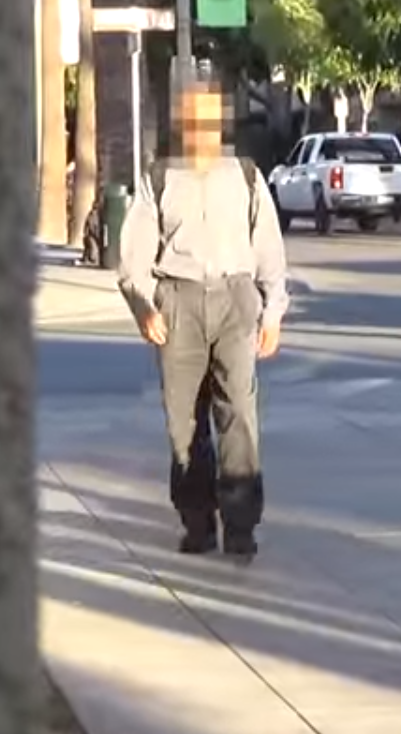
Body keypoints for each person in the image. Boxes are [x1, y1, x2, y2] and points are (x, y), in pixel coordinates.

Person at [118, 78, 289, 561]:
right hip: (179, 303)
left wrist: (272, 310)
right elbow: (133, 257)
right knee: (184, 422)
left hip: (236, 300)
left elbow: (269, 249)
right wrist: (145, 306)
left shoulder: (247, 175)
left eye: (210, 121)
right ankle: (197, 521)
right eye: (193, 121)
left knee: (238, 413)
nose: (202, 130)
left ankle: (240, 525)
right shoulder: (160, 178)